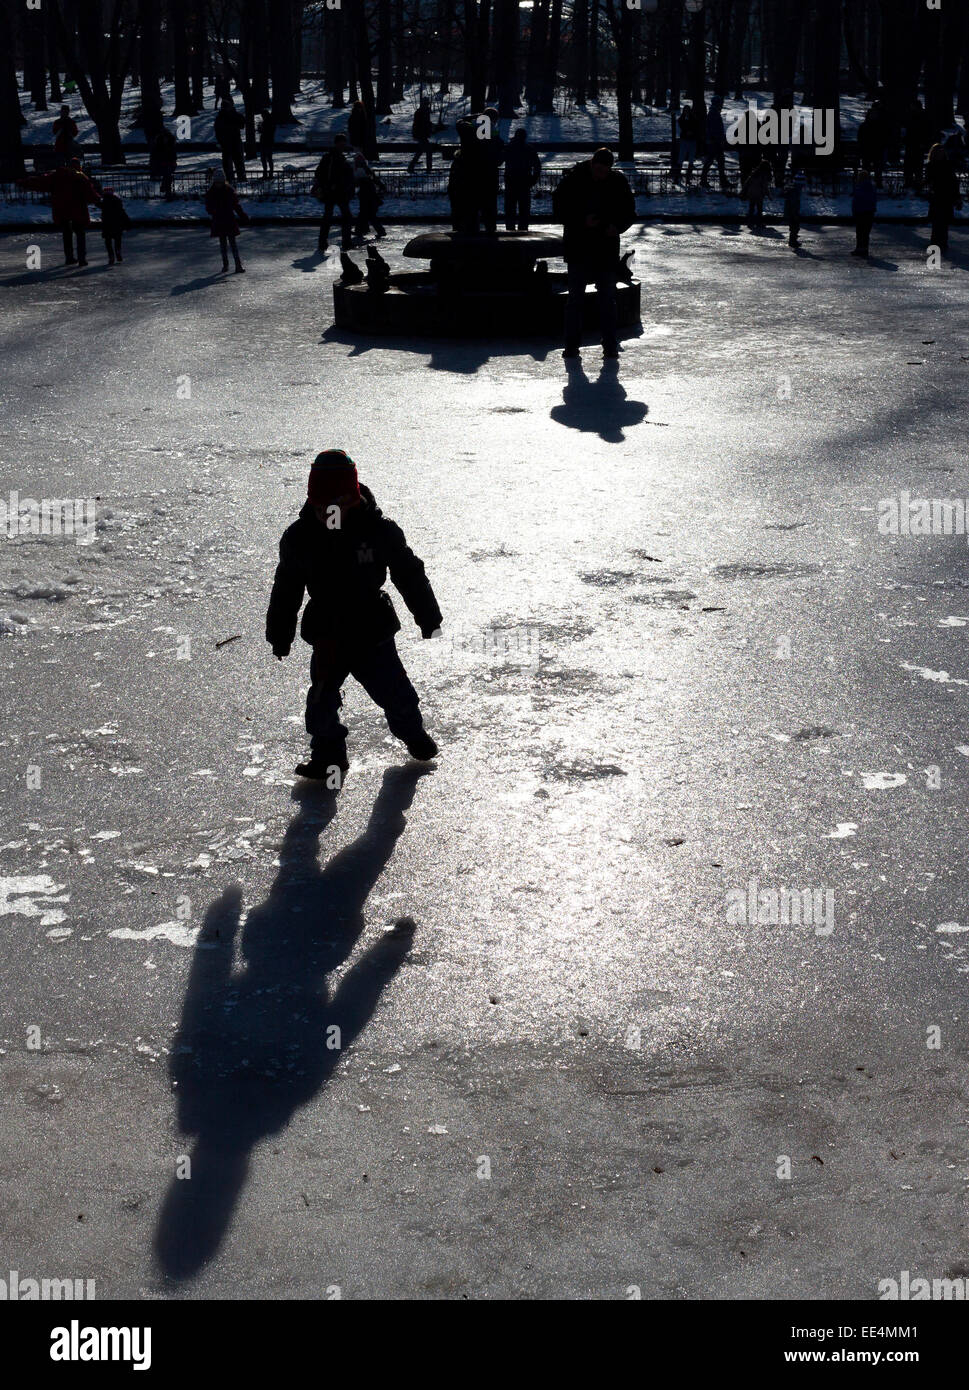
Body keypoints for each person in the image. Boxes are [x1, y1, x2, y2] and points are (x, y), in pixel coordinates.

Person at [265, 449, 442, 783]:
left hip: (371, 630)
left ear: (354, 498)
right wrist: (280, 634)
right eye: (320, 507)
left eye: (337, 506)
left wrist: (428, 617)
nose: (328, 514)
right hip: (328, 634)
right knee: (321, 701)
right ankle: (329, 758)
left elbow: (409, 574)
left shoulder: (378, 531)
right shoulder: (300, 538)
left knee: (395, 693)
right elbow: (286, 589)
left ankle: (412, 733)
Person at [552, 147, 636, 362]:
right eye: (598, 169)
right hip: (579, 247)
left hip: (605, 248)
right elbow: (558, 208)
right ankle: (571, 346)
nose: (600, 174)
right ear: (592, 164)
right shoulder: (574, 179)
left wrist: (616, 227)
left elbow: (629, 212)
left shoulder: (617, 182)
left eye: (605, 171)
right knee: (575, 300)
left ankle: (609, 345)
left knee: (607, 299)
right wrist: (582, 221)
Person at [18, 157, 101, 266]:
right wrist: (99, 200)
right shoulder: (81, 177)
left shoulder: (57, 176)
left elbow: (40, 182)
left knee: (67, 234)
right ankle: (82, 258)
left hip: (62, 210)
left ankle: (69, 257)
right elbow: (90, 194)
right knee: (80, 234)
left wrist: (23, 182)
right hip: (78, 210)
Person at [313, 134, 355, 253]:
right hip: (336, 192)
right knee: (344, 217)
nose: (343, 146)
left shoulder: (332, 157)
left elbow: (320, 173)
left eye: (344, 143)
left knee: (329, 217)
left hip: (334, 192)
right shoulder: (334, 158)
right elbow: (324, 173)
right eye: (342, 143)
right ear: (337, 144)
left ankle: (323, 243)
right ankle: (346, 242)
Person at [204, 169, 249, 272]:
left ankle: (238, 265)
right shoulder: (211, 193)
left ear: (223, 181)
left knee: (233, 243)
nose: (219, 184)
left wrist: (242, 215)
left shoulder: (229, 191)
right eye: (217, 182)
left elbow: (236, 205)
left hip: (229, 220)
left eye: (220, 182)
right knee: (223, 244)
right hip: (219, 220)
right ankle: (225, 265)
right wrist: (213, 210)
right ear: (214, 182)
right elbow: (208, 207)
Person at [924, 143, 962, 254]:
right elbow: (929, 180)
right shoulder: (933, 165)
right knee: (937, 223)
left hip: (945, 196)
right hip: (938, 196)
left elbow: (954, 182)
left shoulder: (945, 165)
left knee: (943, 223)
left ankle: (941, 244)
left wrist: (957, 197)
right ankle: (937, 243)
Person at [503, 128, 540, 231]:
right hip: (525, 181)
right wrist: (533, 179)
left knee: (510, 208)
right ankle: (523, 229)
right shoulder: (529, 149)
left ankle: (510, 228)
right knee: (524, 208)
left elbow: (499, 160)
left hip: (511, 180)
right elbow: (537, 166)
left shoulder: (509, 148)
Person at [352, 151, 386, 238]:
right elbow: (375, 179)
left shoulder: (359, 170)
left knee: (366, 214)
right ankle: (362, 230)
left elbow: (357, 182)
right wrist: (382, 186)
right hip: (369, 194)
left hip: (365, 195)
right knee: (368, 214)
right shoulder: (366, 169)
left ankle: (361, 230)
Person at [700, 96, 730, 190]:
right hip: (715, 142)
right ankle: (720, 181)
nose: (721, 105)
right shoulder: (714, 113)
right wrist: (718, 139)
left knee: (714, 161)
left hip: (714, 141)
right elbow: (713, 129)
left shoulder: (714, 113)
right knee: (715, 161)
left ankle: (719, 180)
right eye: (720, 103)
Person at [214, 96, 246, 183]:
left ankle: (236, 179)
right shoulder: (223, 117)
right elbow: (242, 124)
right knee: (234, 162)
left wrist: (220, 141)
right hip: (230, 142)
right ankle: (235, 179)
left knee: (235, 162)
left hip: (231, 142)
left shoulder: (222, 117)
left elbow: (242, 124)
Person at [98, 186, 131, 264]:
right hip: (117, 224)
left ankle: (111, 255)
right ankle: (118, 251)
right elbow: (122, 212)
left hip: (107, 225)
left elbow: (97, 204)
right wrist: (127, 222)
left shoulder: (104, 202)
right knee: (117, 240)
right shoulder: (117, 201)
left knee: (108, 241)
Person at [903, 99, 929, 192]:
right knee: (910, 164)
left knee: (916, 165)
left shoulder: (921, 116)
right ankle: (910, 181)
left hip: (917, 144)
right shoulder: (911, 115)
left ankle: (915, 183)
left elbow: (925, 131)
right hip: (912, 143)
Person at [851, 168, 877, 258]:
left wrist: (854, 210)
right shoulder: (871, 186)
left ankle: (859, 249)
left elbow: (856, 200)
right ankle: (864, 249)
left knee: (860, 231)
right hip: (869, 212)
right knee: (865, 232)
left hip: (861, 212)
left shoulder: (859, 187)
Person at [408, 97, 436, 173]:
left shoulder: (424, 112)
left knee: (420, 152)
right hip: (421, 135)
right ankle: (428, 170)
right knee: (428, 151)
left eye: (427, 103)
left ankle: (411, 167)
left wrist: (431, 126)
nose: (427, 105)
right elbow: (418, 124)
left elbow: (425, 122)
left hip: (422, 135)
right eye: (426, 103)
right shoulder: (420, 112)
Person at [742, 157, 771, 229]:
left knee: (751, 208)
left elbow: (747, 182)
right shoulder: (763, 174)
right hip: (759, 194)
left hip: (751, 193)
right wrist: (769, 195)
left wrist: (744, 191)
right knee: (759, 209)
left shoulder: (754, 172)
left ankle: (750, 222)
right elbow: (765, 186)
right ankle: (759, 223)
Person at [152, 123, 177, 199]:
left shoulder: (169, 143)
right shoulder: (160, 144)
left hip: (169, 162)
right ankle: (167, 192)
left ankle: (165, 189)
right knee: (167, 174)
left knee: (167, 173)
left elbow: (173, 154)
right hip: (164, 163)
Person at [783, 168, 805, 249]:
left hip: (791, 212)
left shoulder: (794, 189)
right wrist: (795, 214)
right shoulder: (795, 192)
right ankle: (792, 241)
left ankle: (793, 240)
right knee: (795, 227)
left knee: (794, 227)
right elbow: (793, 204)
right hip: (792, 213)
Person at [676, 104, 698, 184]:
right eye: (685, 110)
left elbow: (696, 129)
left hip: (692, 140)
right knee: (681, 159)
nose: (687, 112)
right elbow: (679, 131)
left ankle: (688, 179)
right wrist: (686, 133)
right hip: (684, 140)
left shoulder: (694, 119)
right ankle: (677, 178)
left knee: (691, 159)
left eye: (688, 110)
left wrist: (692, 133)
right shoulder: (680, 120)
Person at [258, 109, 276, 178]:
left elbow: (266, 132)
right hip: (267, 142)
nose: (262, 116)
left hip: (267, 142)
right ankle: (268, 173)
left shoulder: (268, 121)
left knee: (266, 158)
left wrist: (261, 129)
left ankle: (267, 173)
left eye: (262, 115)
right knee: (267, 158)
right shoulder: (268, 121)